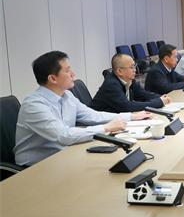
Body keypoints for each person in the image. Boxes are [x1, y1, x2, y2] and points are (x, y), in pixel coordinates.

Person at [13, 51, 151, 166]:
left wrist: (131, 116)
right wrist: (106, 128)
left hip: (63, 154)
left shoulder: (67, 95)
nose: (73, 74)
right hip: (35, 166)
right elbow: (63, 135)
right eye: (67, 71)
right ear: (53, 79)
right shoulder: (34, 105)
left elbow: (93, 116)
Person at [91, 53, 170, 113]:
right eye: (131, 67)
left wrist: (161, 97)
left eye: (135, 66)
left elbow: (143, 94)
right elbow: (127, 106)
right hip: (98, 125)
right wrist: (158, 102)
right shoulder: (111, 85)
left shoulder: (129, 80)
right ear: (119, 71)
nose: (135, 70)